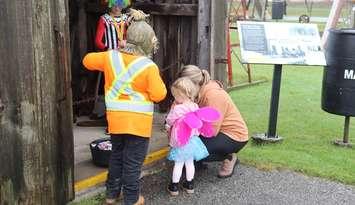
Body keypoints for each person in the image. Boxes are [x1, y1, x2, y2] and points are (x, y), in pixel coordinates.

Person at [82, 11, 167, 205]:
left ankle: (111, 196)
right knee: (133, 164)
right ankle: (132, 199)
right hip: (138, 126)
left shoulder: (110, 58)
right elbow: (159, 95)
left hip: (116, 124)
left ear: (126, 39)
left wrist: (111, 54)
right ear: (148, 43)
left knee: (117, 158)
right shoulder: (149, 66)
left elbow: (87, 60)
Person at [178, 65, 249, 178]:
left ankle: (229, 157)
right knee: (184, 144)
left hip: (233, 136)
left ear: (194, 84)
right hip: (216, 132)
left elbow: (211, 131)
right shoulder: (196, 92)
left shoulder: (213, 96)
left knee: (188, 148)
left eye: (184, 87)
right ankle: (197, 163)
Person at [165, 77, 212, 196]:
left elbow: (170, 120)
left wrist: (167, 126)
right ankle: (190, 184)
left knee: (179, 163)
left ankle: (174, 186)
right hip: (192, 140)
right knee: (189, 162)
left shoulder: (177, 108)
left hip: (181, 139)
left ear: (181, 95)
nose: (175, 98)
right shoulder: (195, 106)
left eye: (175, 96)